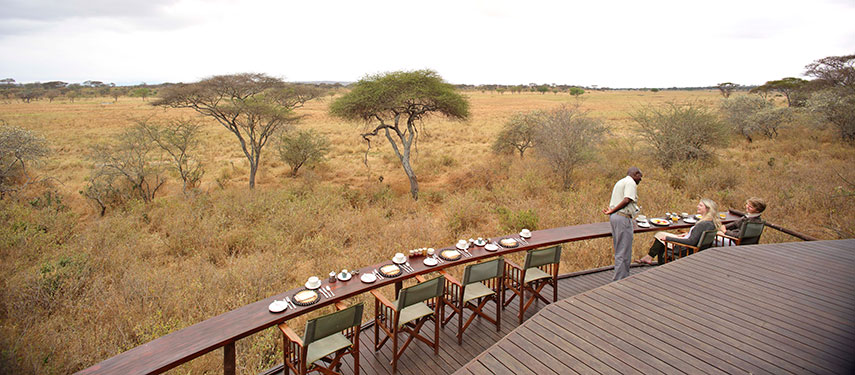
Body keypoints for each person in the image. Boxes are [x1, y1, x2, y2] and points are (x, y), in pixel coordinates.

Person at [637, 198, 720, 265]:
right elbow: (696, 236)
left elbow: (690, 241)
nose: (698, 206)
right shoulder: (711, 222)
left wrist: (668, 238)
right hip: (693, 246)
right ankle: (649, 257)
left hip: (685, 248)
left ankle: (654, 260)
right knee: (660, 235)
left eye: (701, 206)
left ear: (707, 209)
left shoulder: (703, 224)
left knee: (661, 237)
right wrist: (687, 234)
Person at [602, 167, 643, 281]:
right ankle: (620, 280)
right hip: (622, 217)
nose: (640, 180)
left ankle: (621, 276)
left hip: (616, 217)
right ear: (635, 174)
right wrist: (613, 210)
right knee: (624, 250)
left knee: (620, 248)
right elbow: (627, 199)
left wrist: (612, 211)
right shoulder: (631, 182)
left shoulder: (621, 182)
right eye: (640, 177)